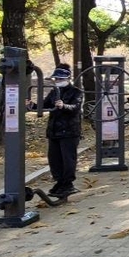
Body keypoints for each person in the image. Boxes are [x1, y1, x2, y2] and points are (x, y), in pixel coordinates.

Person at [30, 64, 83, 197]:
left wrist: (63, 106)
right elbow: (44, 105)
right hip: (54, 131)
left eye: (60, 78)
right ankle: (59, 181)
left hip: (69, 131)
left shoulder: (76, 92)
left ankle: (67, 184)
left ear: (68, 78)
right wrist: (32, 105)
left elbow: (75, 108)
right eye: (56, 79)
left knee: (68, 159)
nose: (57, 81)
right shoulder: (54, 92)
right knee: (54, 159)